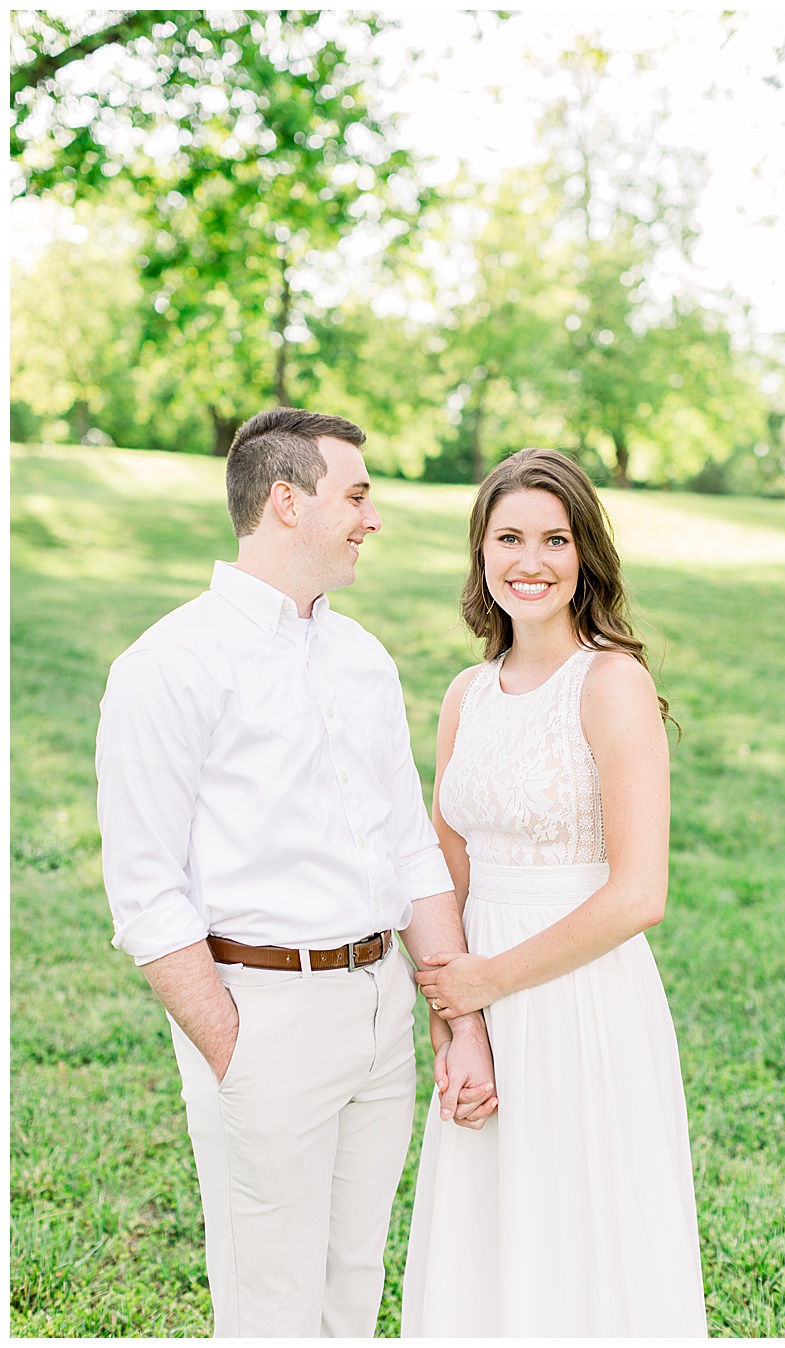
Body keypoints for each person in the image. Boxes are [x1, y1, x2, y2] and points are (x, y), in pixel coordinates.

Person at [95, 407, 498, 1338]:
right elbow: (146, 894)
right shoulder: (169, 665)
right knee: (269, 1302)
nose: (373, 518)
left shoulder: (361, 658)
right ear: (286, 500)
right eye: (355, 494)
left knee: (353, 1284)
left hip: (378, 1010)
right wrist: (232, 1046)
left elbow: (411, 851)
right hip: (260, 1013)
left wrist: (454, 1016)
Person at [401, 448, 707, 1337]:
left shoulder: (613, 683)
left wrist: (491, 982)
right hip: (476, 1001)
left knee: (581, 1243)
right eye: (509, 538)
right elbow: (442, 875)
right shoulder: (466, 695)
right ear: (481, 552)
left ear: (585, 558)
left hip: (580, 1000)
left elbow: (639, 894)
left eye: (554, 539)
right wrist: (458, 1028)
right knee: (487, 1244)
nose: (529, 562)